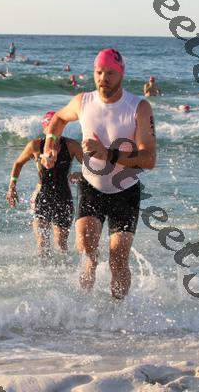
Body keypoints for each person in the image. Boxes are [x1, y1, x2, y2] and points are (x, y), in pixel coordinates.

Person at [43, 48, 157, 299]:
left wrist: (107, 154)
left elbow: (149, 159)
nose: (103, 78)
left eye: (110, 73)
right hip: (91, 186)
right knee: (86, 249)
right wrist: (50, 145)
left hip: (125, 191)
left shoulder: (138, 107)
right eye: (99, 72)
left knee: (118, 259)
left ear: (121, 74)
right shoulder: (82, 102)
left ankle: (118, 310)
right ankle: (85, 309)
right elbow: (58, 119)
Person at [6, 112, 83, 260]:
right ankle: (42, 272)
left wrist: (80, 174)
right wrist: (12, 187)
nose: (53, 131)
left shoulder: (71, 145)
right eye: (49, 128)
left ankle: (62, 273)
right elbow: (18, 163)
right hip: (41, 196)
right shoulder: (35, 146)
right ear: (44, 129)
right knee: (42, 246)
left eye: (56, 128)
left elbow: (90, 166)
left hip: (63, 197)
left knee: (61, 246)